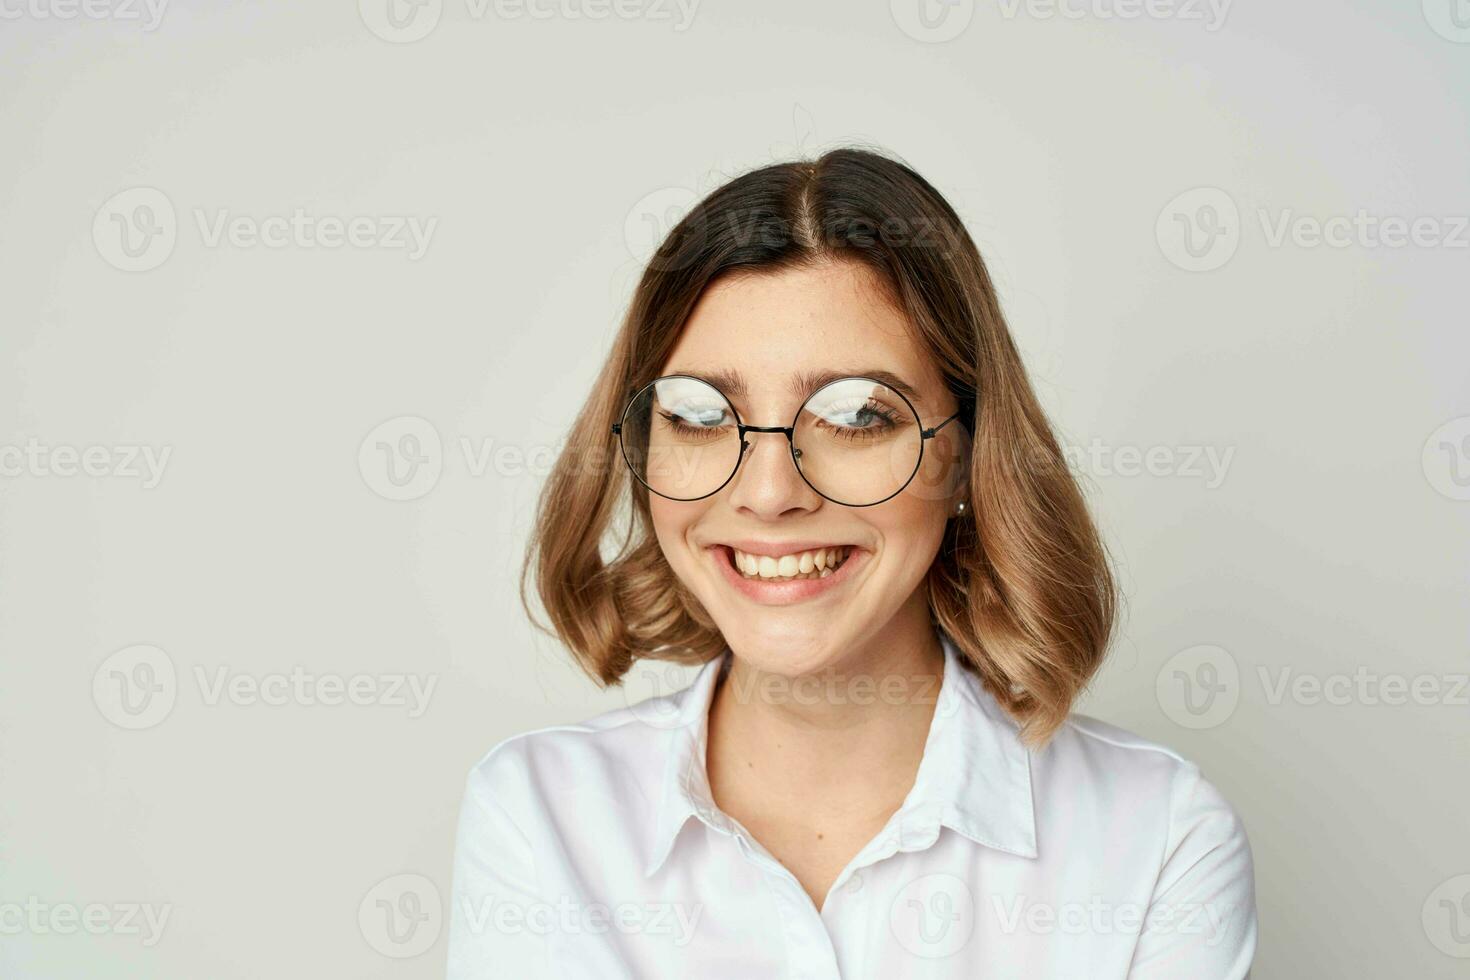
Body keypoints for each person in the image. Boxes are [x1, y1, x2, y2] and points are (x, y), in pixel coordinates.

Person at [446, 147, 1256, 978]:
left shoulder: (1158, 839)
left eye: (859, 416)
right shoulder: (541, 817)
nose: (768, 492)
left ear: (968, 458)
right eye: (697, 414)